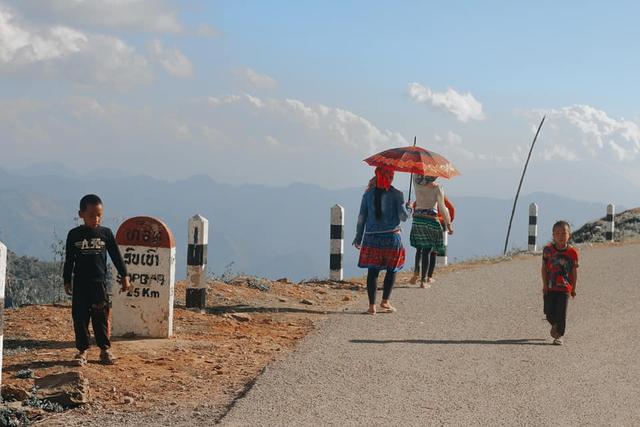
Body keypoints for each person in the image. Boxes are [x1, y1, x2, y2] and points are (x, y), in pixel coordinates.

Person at [63, 194, 130, 365]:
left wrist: (125, 276)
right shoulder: (74, 235)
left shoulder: (105, 233)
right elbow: (69, 259)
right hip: (80, 284)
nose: (96, 219)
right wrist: (67, 280)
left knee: (101, 317)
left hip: (99, 283)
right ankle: (82, 351)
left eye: (99, 215)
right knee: (80, 317)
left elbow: (116, 256)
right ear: (81, 214)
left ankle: (105, 350)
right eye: (92, 215)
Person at [353, 167, 409, 315]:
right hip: (391, 239)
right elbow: (403, 217)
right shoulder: (397, 194)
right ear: (391, 177)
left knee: (372, 272)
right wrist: (409, 208)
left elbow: (361, 218)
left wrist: (358, 237)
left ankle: (372, 307)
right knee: (392, 270)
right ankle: (385, 301)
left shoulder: (367, 194)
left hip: (371, 239)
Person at [408, 175, 453, 288]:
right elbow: (442, 208)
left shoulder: (416, 182)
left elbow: (415, 174)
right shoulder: (437, 188)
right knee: (428, 250)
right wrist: (448, 224)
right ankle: (424, 281)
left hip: (417, 218)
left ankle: (416, 274)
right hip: (430, 219)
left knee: (419, 247)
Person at [541, 221, 579, 345]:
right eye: (557, 233)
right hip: (551, 287)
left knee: (561, 313)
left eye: (564, 233)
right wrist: (545, 285)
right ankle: (555, 325)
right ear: (553, 235)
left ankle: (559, 335)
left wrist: (573, 288)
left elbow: (574, 271)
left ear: (569, 235)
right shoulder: (547, 250)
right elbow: (544, 268)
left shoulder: (572, 253)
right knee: (548, 312)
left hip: (565, 288)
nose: (561, 236)